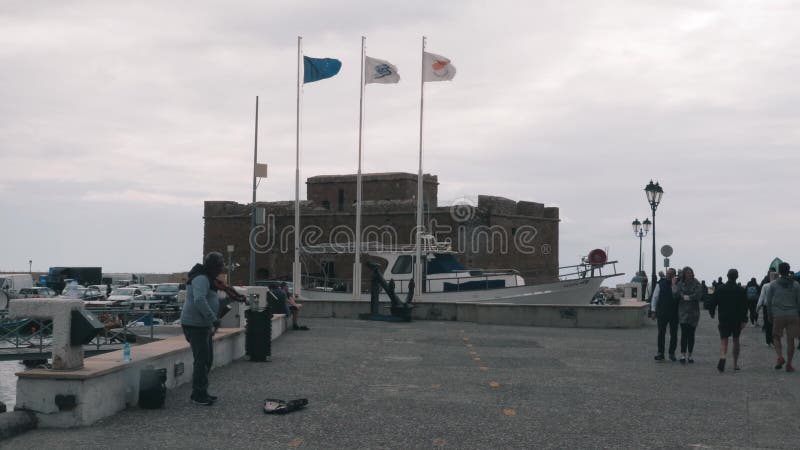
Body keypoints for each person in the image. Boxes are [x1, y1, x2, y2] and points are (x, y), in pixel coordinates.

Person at [180, 252, 224, 406]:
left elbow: (210, 298)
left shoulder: (207, 278)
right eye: (219, 265)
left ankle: (202, 391)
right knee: (202, 360)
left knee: (207, 360)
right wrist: (213, 319)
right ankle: (198, 395)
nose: (221, 269)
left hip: (202, 325)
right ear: (212, 266)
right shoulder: (201, 278)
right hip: (195, 325)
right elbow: (199, 300)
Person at [708, 269, 749, 372]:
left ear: (727, 276)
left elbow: (712, 302)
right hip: (736, 318)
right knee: (736, 340)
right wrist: (744, 319)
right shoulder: (741, 290)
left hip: (724, 317)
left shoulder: (720, 288)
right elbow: (745, 306)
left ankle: (723, 356)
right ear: (737, 277)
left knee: (724, 340)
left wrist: (712, 312)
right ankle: (735, 364)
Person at [765, 262, 800, 372]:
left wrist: (769, 315)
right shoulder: (796, 285)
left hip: (778, 314)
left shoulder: (773, 284)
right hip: (793, 315)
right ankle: (789, 364)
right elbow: (799, 302)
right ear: (789, 270)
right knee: (791, 341)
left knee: (776, 337)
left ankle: (780, 357)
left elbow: (769, 302)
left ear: (779, 271)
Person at [650, 268, 679, 361]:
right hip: (662, 312)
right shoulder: (660, 284)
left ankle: (672, 353)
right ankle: (660, 353)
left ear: (675, 275)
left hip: (674, 313)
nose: (669, 275)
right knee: (661, 333)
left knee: (674, 334)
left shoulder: (678, 284)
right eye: (668, 273)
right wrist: (653, 311)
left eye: (671, 274)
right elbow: (655, 297)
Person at [676, 266, 703, 364]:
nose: (689, 274)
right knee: (684, 334)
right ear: (684, 274)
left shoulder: (697, 283)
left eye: (690, 272)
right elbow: (676, 293)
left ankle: (690, 355)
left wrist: (687, 297)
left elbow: (698, 295)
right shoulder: (680, 283)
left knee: (691, 335)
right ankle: (683, 354)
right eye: (687, 273)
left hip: (693, 313)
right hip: (683, 312)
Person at [757, 271, 778, 347]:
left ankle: (768, 341)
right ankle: (774, 340)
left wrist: (758, 308)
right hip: (777, 307)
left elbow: (761, 297)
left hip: (766, 307)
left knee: (768, 324)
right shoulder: (779, 286)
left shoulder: (766, 286)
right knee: (775, 325)